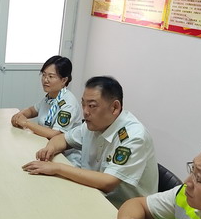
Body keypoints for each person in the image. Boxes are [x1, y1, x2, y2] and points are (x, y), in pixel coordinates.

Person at [22, 76, 157, 208]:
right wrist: (50, 149)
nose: (85, 112)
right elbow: (61, 138)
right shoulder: (93, 124)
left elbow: (108, 182)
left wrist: (57, 168)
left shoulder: (133, 136)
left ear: (115, 108)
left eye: (92, 106)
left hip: (121, 209)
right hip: (90, 193)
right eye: (83, 104)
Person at [11, 55, 83, 166]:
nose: (45, 80)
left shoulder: (68, 103)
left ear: (64, 80)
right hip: (45, 147)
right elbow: (33, 110)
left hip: (65, 157)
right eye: (44, 75)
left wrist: (25, 123)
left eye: (51, 76)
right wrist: (20, 115)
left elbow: (55, 134)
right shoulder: (50, 96)